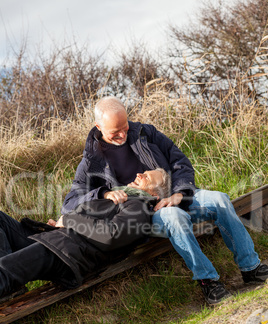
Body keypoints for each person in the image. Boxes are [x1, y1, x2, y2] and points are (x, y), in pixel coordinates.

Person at [62, 96, 268, 305]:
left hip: (178, 195)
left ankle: (250, 267)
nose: (123, 135)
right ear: (99, 126)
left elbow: (180, 162)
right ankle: (208, 281)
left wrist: (180, 193)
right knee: (174, 216)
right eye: (115, 132)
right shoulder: (90, 161)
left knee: (220, 199)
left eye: (125, 127)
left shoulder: (145, 132)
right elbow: (70, 202)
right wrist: (103, 194)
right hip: (145, 215)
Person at [0, 169, 168, 303]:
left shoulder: (139, 207)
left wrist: (68, 220)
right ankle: (11, 286)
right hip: (58, 239)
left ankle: (7, 280)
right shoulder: (121, 198)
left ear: (155, 195)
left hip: (68, 253)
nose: (138, 174)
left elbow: (111, 235)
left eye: (146, 177)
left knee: (4, 270)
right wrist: (60, 225)